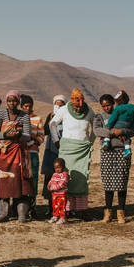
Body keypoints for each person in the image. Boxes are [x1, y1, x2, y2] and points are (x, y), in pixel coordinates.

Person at [49, 88, 95, 221]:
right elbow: (53, 124)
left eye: (81, 104)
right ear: (72, 102)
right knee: (65, 178)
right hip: (67, 148)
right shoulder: (64, 110)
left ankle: (81, 210)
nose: (79, 108)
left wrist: (90, 142)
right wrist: (56, 140)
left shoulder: (89, 111)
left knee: (81, 178)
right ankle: (67, 210)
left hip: (82, 149)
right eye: (76, 105)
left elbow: (96, 127)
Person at [0, 90, 33, 222]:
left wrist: (19, 135)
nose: (12, 103)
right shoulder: (1, 113)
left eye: (14, 100)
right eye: (9, 101)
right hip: (4, 153)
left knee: (21, 183)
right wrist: (6, 135)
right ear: (6, 102)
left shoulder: (24, 116)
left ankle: (21, 214)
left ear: (18, 101)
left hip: (19, 152)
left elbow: (28, 135)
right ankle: (4, 213)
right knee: (4, 182)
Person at [94, 94, 134, 223]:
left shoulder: (124, 114)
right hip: (107, 152)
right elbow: (96, 130)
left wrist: (122, 131)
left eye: (109, 105)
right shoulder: (99, 117)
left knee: (122, 182)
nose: (107, 108)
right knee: (108, 182)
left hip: (122, 151)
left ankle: (121, 213)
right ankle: (108, 212)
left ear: (114, 103)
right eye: (104, 106)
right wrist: (112, 132)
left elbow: (133, 129)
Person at [40, 95, 68, 214]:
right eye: (57, 105)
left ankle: (64, 207)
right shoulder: (51, 115)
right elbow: (45, 131)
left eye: (61, 105)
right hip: (51, 150)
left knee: (63, 178)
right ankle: (50, 206)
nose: (59, 107)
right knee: (50, 177)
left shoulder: (67, 116)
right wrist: (50, 120)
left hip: (64, 149)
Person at [20, 94, 44, 216]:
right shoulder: (17, 118)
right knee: (22, 178)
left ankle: (32, 207)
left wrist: (34, 140)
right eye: (25, 106)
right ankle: (21, 207)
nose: (28, 108)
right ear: (21, 106)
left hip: (33, 152)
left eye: (30, 106)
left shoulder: (37, 119)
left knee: (33, 178)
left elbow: (41, 137)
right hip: (20, 152)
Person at [103, 90, 134, 156]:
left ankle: (106, 141)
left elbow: (113, 118)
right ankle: (127, 149)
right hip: (128, 125)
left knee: (111, 131)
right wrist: (124, 132)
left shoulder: (118, 108)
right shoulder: (133, 109)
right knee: (126, 137)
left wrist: (109, 125)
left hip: (120, 124)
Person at [46, 158, 70, 224]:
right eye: (55, 168)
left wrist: (53, 188)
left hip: (62, 194)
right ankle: (55, 216)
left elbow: (62, 184)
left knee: (61, 206)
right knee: (55, 205)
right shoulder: (54, 174)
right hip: (54, 194)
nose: (57, 169)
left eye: (59, 167)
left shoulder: (65, 175)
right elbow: (51, 181)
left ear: (63, 166)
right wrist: (48, 185)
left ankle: (63, 218)